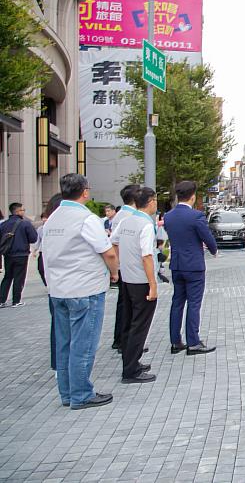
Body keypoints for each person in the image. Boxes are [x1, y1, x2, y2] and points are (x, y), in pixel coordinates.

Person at [42, 173, 119, 410]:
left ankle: (67, 393)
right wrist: (114, 273)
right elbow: (108, 252)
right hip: (85, 289)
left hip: (58, 290)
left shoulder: (52, 219)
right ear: (85, 192)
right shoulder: (87, 219)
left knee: (64, 343)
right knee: (83, 344)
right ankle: (81, 394)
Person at [163, 181, 218, 355]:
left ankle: (175, 341)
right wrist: (214, 249)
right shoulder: (196, 216)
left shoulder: (168, 216)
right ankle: (193, 342)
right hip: (193, 266)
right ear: (193, 196)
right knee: (194, 303)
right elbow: (207, 237)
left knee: (177, 302)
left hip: (177, 265)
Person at [112, 187, 159, 384]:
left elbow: (113, 242)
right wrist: (153, 285)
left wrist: (120, 265)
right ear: (150, 202)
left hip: (127, 278)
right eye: (155, 200)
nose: (156, 203)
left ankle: (130, 363)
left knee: (129, 322)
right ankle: (131, 371)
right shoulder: (146, 225)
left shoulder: (126, 221)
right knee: (140, 326)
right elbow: (147, 256)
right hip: (142, 281)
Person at [34, 195, 62, 370]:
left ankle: (57, 363)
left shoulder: (47, 227)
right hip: (71, 286)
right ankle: (63, 364)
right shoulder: (67, 226)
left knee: (57, 325)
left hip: (55, 285)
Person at [111, 185, 140, 352]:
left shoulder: (120, 214)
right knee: (129, 305)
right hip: (127, 266)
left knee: (123, 304)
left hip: (122, 265)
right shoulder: (129, 216)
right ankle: (124, 340)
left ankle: (120, 339)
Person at [0, 203, 38, 308]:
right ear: (17, 212)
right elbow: (33, 238)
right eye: (22, 210)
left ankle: (1, 300)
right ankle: (16, 301)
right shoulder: (25, 224)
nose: (24, 211)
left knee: (7, 277)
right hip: (21, 254)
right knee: (19, 277)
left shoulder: (3, 224)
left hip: (7, 254)